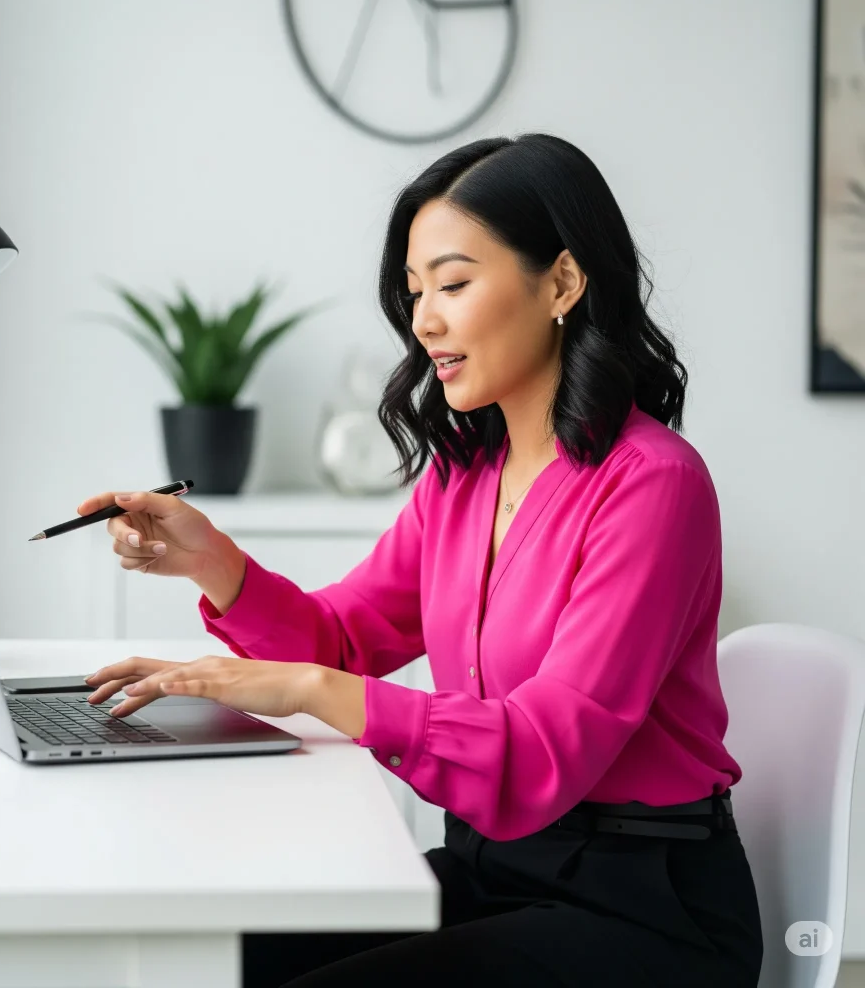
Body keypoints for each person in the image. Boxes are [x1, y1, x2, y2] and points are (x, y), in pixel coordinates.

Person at [79, 133, 764, 987]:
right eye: (414, 292)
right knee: (225, 957)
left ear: (562, 282)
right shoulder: (463, 476)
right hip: (492, 871)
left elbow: (543, 749)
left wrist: (310, 690)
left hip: (642, 912)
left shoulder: (653, 484)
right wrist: (212, 561)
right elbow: (343, 638)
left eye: (454, 283)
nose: (424, 320)